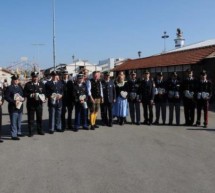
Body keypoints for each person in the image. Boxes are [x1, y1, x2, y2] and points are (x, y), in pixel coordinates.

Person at [24, 71, 46, 137]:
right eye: (34, 77)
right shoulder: (28, 85)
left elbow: (44, 93)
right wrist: (31, 95)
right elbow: (24, 94)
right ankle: (31, 132)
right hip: (31, 105)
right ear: (32, 77)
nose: (35, 78)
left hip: (39, 104)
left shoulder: (42, 84)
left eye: (36, 77)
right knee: (31, 119)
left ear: (38, 77)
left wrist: (44, 98)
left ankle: (40, 130)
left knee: (39, 118)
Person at [5, 75, 25, 140]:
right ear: (12, 80)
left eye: (17, 80)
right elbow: (7, 97)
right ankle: (14, 134)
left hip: (20, 106)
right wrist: (13, 101)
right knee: (13, 121)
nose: (16, 81)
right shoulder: (9, 87)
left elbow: (23, 95)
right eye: (15, 80)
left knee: (19, 121)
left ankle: (19, 132)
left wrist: (23, 99)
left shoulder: (20, 87)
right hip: (13, 107)